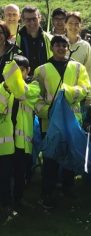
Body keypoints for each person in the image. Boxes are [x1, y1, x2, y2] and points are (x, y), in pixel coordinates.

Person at [34, 35, 91, 209]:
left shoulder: (78, 67)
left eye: (64, 45)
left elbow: (85, 88)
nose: (60, 48)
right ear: (52, 47)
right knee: (50, 159)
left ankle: (68, 188)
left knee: (70, 155)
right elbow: (35, 96)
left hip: (72, 121)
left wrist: (65, 92)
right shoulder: (41, 70)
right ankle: (47, 193)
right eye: (57, 45)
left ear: (68, 48)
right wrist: (47, 111)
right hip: (50, 122)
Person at [0, 55, 39, 216]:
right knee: (4, 174)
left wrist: (13, 81)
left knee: (21, 172)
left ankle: (19, 199)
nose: (18, 74)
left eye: (21, 70)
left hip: (22, 140)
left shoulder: (34, 86)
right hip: (5, 141)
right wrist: (7, 87)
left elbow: (23, 93)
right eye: (15, 71)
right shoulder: (2, 88)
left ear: (28, 71)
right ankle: (5, 203)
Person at [16, 6, 52, 76]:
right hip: (23, 81)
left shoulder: (50, 39)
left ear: (39, 18)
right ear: (22, 19)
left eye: (34, 19)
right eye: (28, 20)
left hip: (45, 80)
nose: (32, 22)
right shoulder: (15, 39)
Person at [64, 12, 91, 78]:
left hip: (79, 86)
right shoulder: (57, 43)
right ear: (65, 25)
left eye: (76, 24)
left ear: (80, 26)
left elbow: (89, 69)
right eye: (70, 23)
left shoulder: (85, 46)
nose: (73, 26)